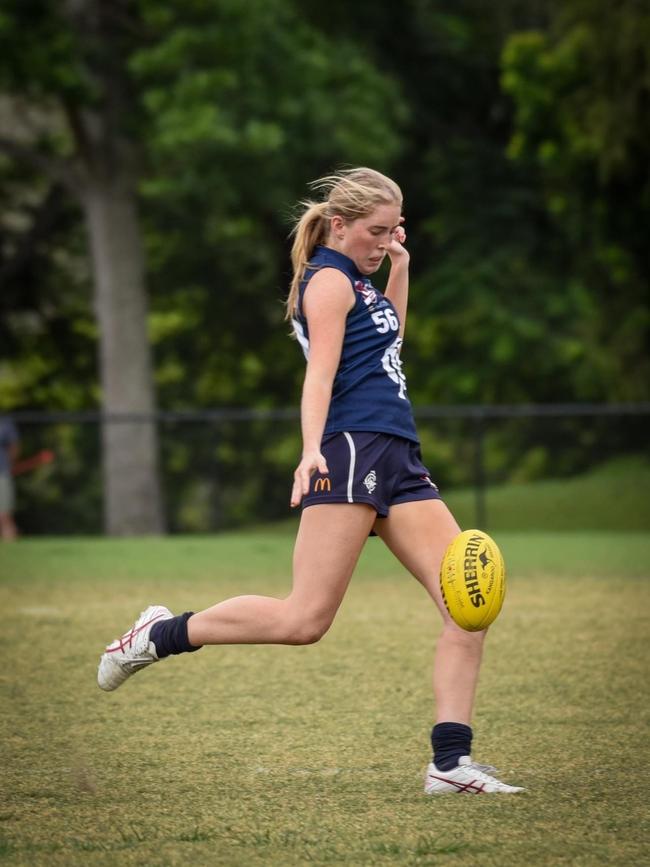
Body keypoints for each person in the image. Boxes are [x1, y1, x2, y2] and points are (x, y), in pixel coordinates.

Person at [97, 167, 523, 795]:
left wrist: (398, 271)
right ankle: (159, 633)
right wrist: (309, 451)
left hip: (399, 454)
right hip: (350, 450)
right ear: (341, 224)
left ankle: (450, 764)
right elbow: (320, 375)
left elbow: (387, 347)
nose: (385, 242)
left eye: (394, 231)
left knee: (467, 604)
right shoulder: (327, 281)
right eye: (375, 232)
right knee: (304, 620)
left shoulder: (363, 281)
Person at [0, 415, 19, 541]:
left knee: (4, 515)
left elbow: (14, 447)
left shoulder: (5, 423)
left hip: (2, 472)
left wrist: (10, 465)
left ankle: (9, 545)